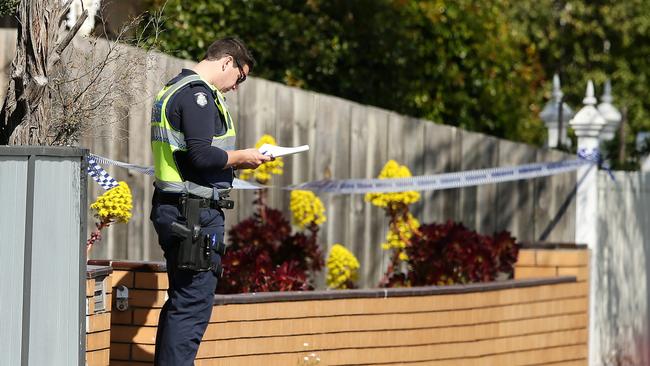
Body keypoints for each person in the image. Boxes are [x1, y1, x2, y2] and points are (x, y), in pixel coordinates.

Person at [149, 37, 271, 365]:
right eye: (240, 77)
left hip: (175, 207)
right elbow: (201, 155)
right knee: (191, 307)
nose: (236, 86)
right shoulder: (197, 95)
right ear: (226, 62)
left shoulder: (172, 88)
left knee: (181, 303)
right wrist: (241, 157)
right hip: (194, 214)